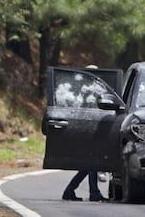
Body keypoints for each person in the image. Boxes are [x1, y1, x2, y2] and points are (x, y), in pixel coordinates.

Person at [61, 64, 106, 202]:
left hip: (89, 128)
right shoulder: (86, 90)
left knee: (88, 165)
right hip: (87, 129)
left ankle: (70, 190)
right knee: (92, 162)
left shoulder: (85, 89)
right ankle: (94, 192)